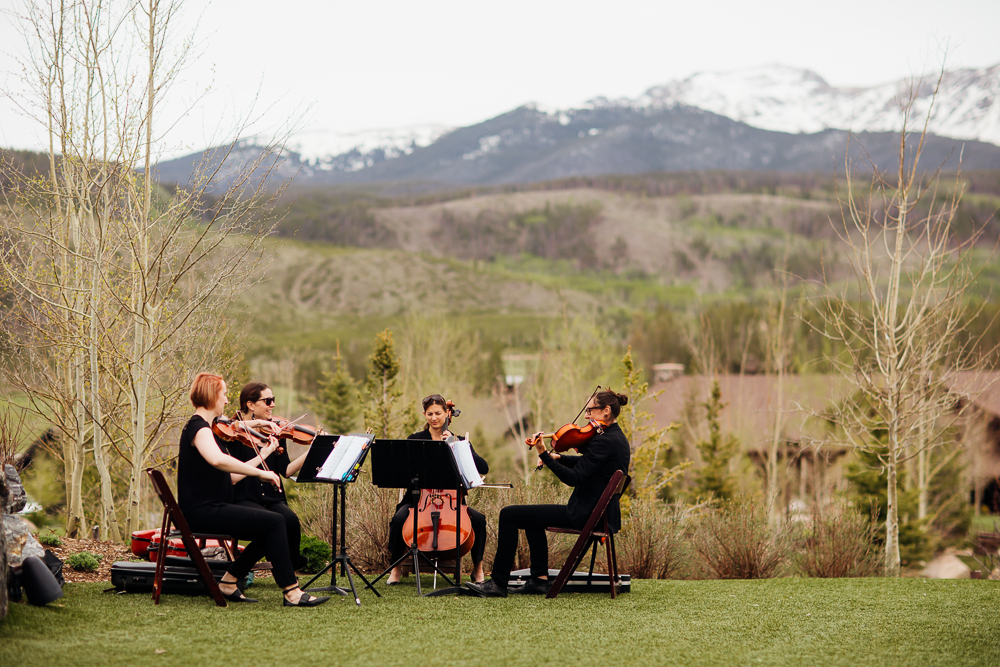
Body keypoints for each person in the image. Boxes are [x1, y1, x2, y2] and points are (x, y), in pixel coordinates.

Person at [177, 372, 329, 607]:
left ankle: (228, 582)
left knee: (273, 523)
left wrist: (264, 450)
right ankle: (292, 592)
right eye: (224, 394)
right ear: (211, 396)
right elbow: (218, 461)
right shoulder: (200, 429)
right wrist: (261, 472)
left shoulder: (204, 427)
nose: (227, 400)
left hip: (212, 506)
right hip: (203, 511)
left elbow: (233, 474)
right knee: (276, 522)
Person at [466, 388, 630, 598]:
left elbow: (574, 478)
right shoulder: (616, 438)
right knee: (531, 519)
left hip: (585, 515)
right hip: (599, 514)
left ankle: (498, 584)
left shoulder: (604, 440)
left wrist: (544, 453)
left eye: (590, 411)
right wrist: (559, 458)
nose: (586, 417)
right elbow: (589, 465)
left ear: (606, 411)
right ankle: (539, 580)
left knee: (509, 514)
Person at [385, 394, 490, 585]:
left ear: (447, 414)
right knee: (399, 519)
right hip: (418, 498)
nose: (434, 418)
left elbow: (483, 467)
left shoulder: (457, 441)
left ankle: (478, 570)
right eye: (430, 414)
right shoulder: (416, 439)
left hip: (452, 502)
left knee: (480, 521)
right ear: (425, 415)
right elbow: (404, 469)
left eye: (438, 413)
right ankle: (395, 569)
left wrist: (457, 446)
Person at [228, 381, 309, 571]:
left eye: (273, 400)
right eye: (268, 400)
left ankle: (292, 560)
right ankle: (277, 568)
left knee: (290, 520)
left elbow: (287, 470)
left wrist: (310, 452)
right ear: (250, 404)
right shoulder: (234, 433)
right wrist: (262, 450)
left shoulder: (276, 431)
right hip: (244, 497)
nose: (272, 404)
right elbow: (228, 429)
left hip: (272, 497)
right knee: (272, 524)